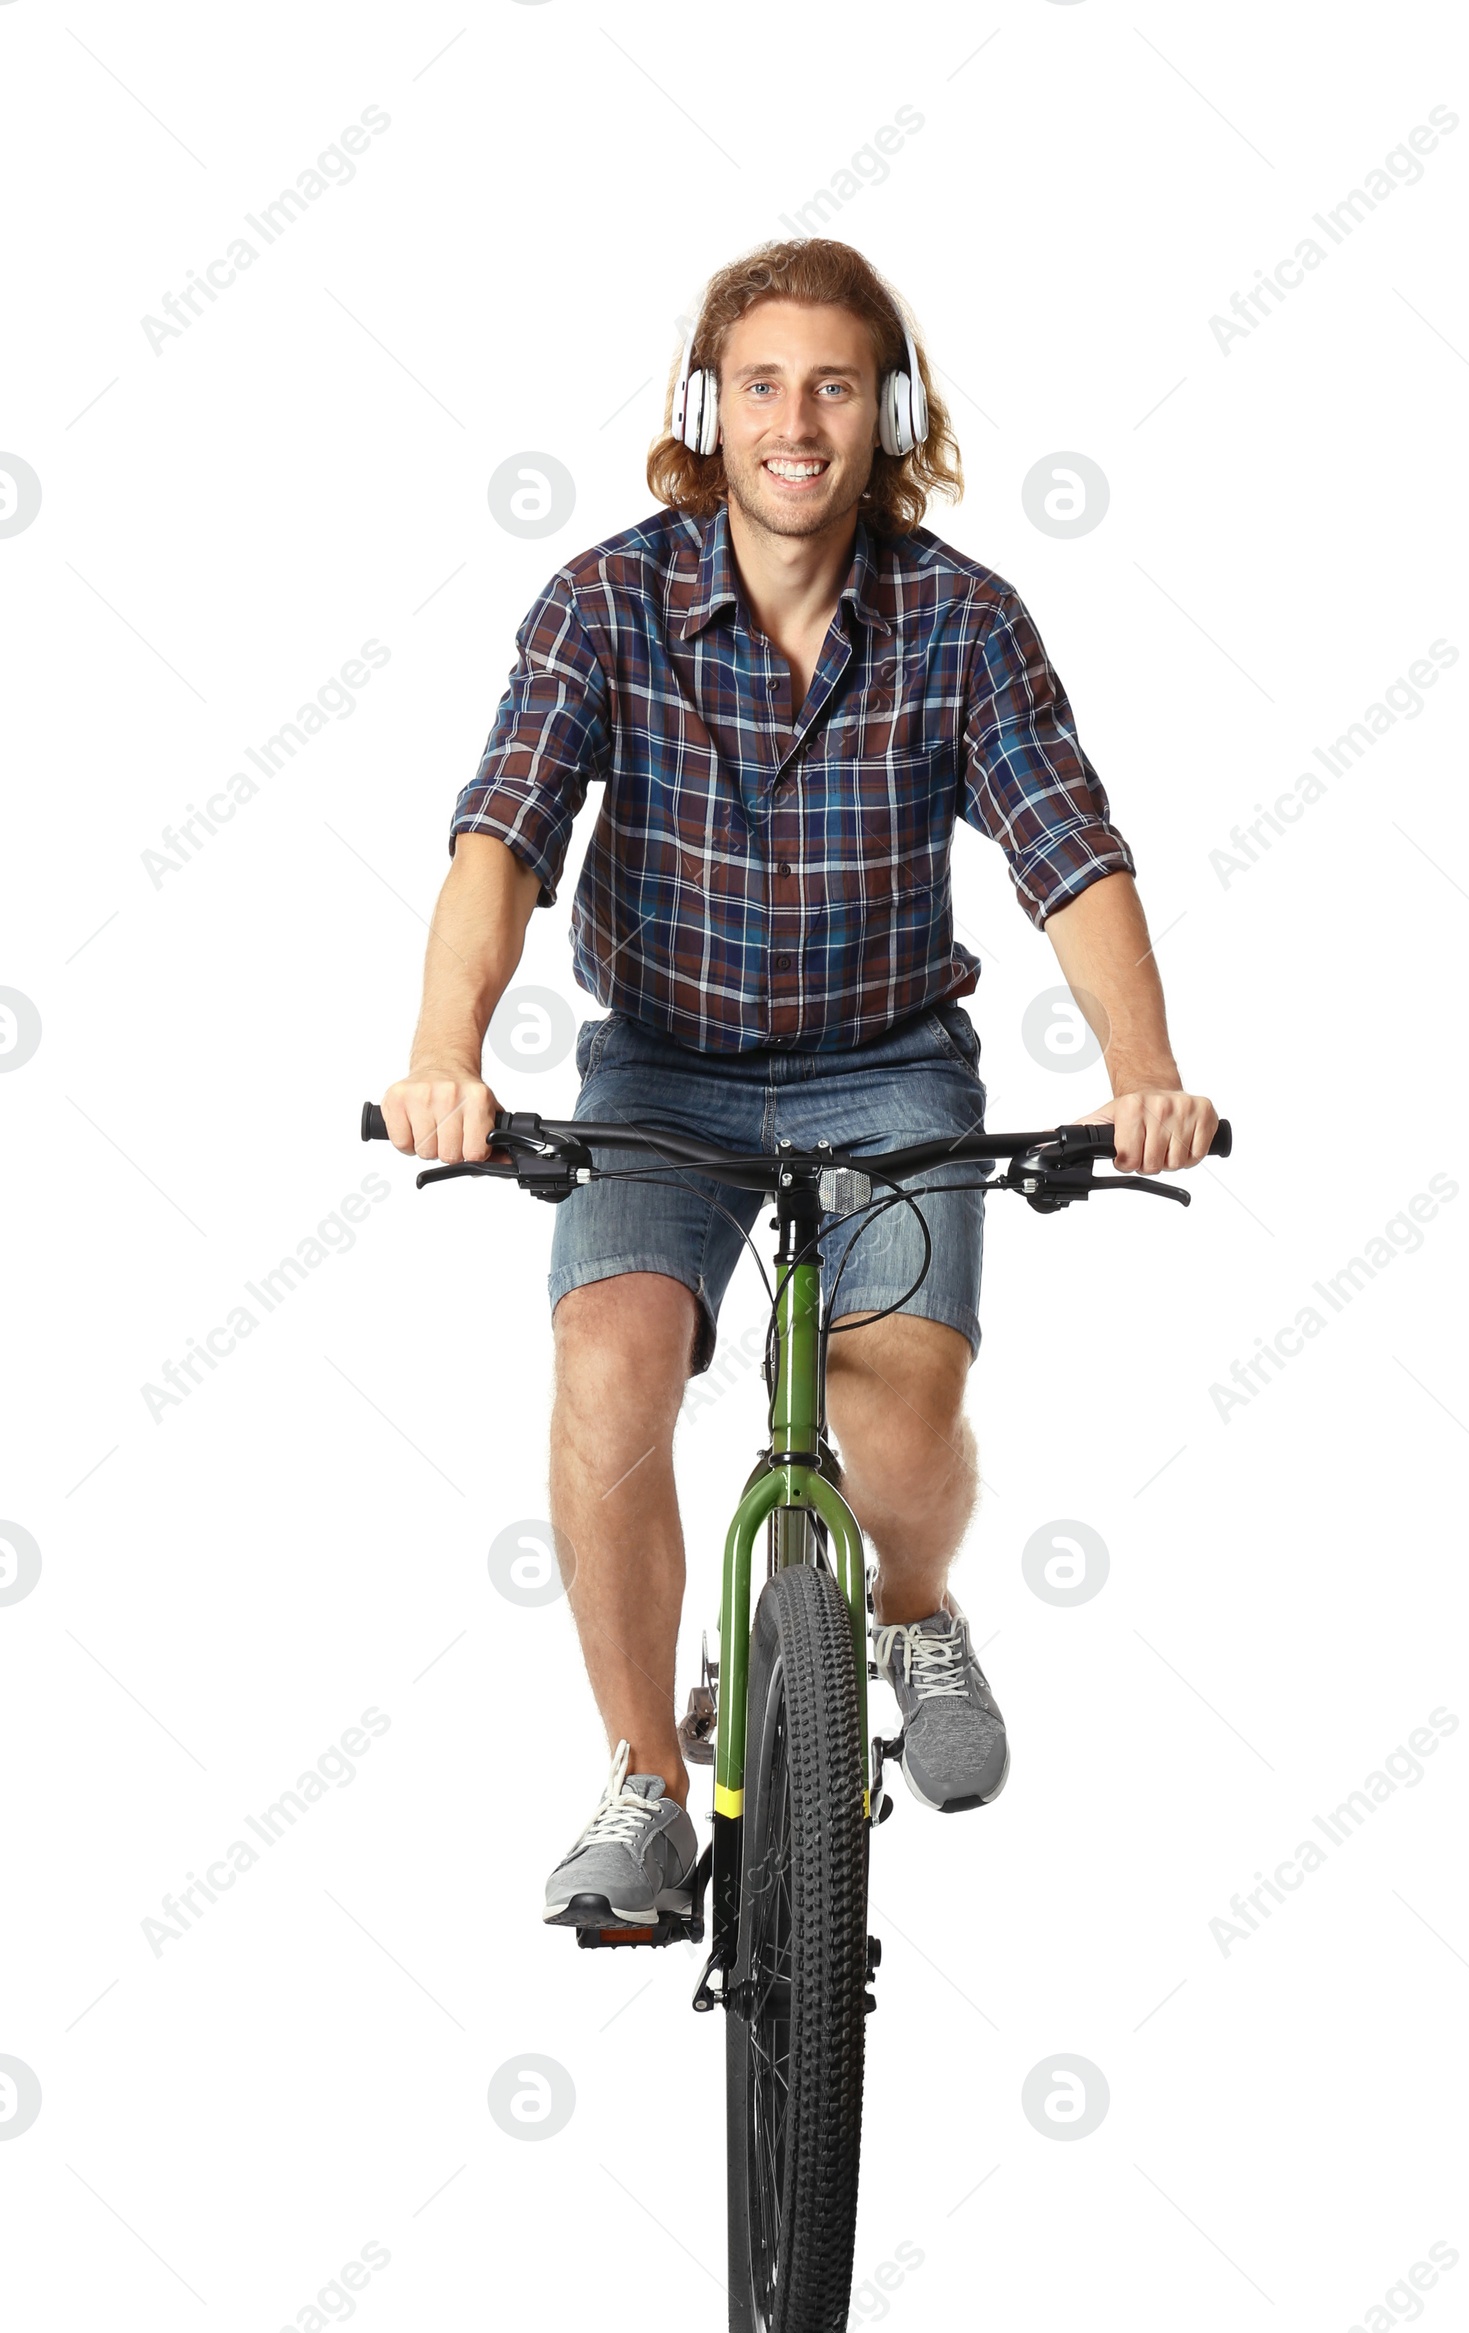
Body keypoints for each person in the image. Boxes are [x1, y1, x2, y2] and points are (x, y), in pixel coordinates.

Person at [381, 237, 1218, 1928]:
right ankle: (640, 1780)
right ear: (709, 408)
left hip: (888, 1066)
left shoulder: (965, 619)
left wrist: (1146, 1073)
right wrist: (441, 1058)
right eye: (761, 384)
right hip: (660, 1075)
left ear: (887, 412)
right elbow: (502, 844)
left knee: (896, 1397)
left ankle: (909, 1606)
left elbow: (1072, 856)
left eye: (835, 384)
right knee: (612, 1363)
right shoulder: (603, 607)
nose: (796, 421)